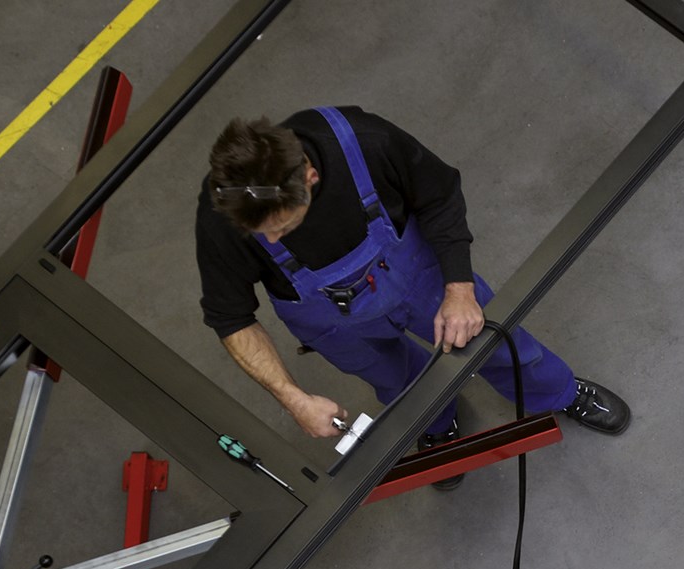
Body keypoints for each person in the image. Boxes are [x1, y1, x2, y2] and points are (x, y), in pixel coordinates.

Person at [195, 106, 629, 474]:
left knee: (494, 343)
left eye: (283, 226)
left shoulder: (363, 141)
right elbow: (230, 317)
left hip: (417, 275)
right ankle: (437, 423)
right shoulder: (225, 212)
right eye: (261, 233)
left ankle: (559, 392)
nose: (272, 241)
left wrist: (459, 290)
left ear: (310, 176)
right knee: (398, 383)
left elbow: (439, 195)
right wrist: (294, 399)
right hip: (333, 323)